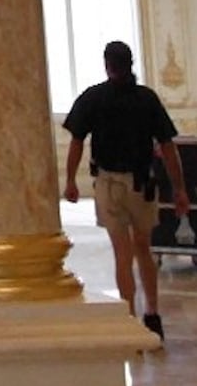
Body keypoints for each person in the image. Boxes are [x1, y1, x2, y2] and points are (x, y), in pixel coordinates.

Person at [60, 40, 187, 337]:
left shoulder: (93, 98)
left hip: (107, 184)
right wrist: (179, 188)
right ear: (131, 64)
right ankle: (152, 313)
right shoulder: (147, 99)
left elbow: (77, 142)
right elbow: (168, 147)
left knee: (122, 253)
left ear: (107, 65)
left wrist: (69, 181)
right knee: (144, 248)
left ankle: (129, 316)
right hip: (141, 185)